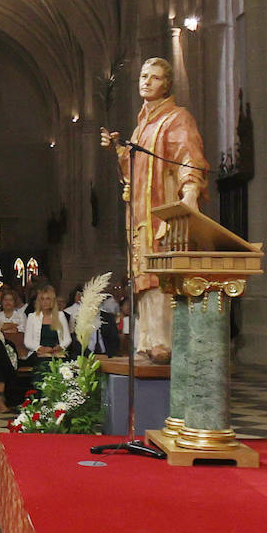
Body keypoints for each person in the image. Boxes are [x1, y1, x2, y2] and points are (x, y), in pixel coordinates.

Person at [100, 57, 211, 362]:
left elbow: (188, 156)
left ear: (167, 84)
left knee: (161, 276)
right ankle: (147, 339)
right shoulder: (140, 128)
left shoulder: (177, 118)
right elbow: (136, 170)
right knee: (143, 277)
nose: (146, 81)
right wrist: (121, 151)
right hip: (139, 215)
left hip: (161, 212)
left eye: (155, 77)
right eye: (144, 76)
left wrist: (189, 192)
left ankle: (164, 341)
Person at [0, 287, 28, 411]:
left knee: (1, 358)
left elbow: (21, 330)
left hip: (17, 349)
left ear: (15, 302)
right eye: (5, 300)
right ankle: (1, 397)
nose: (8, 303)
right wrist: (10, 327)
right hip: (0, 348)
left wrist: (3, 328)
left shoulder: (20, 315)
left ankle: (1, 397)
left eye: (11, 300)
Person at [23, 284, 71, 367]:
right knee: (43, 363)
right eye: (42, 299)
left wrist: (61, 347)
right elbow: (27, 341)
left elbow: (67, 339)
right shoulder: (32, 317)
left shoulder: (60, 315)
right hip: (38, 352)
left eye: (48, 299)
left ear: (52, 301)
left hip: (57, 352)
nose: (45, 302)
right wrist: (40, 348)